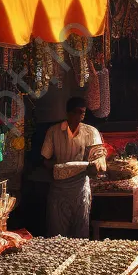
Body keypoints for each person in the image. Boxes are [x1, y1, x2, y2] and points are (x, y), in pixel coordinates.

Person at [41, 96, 104, 238]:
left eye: (83, 113)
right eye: (76, 112)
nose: (80, 116)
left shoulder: (91, 132)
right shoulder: (54, 131)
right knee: (57, 234)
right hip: (59, 188)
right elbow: (45, 160)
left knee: (80, 232)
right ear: (68, 113)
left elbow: (98, 156)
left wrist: (97, 164)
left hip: (80, 187)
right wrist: (59, 169)